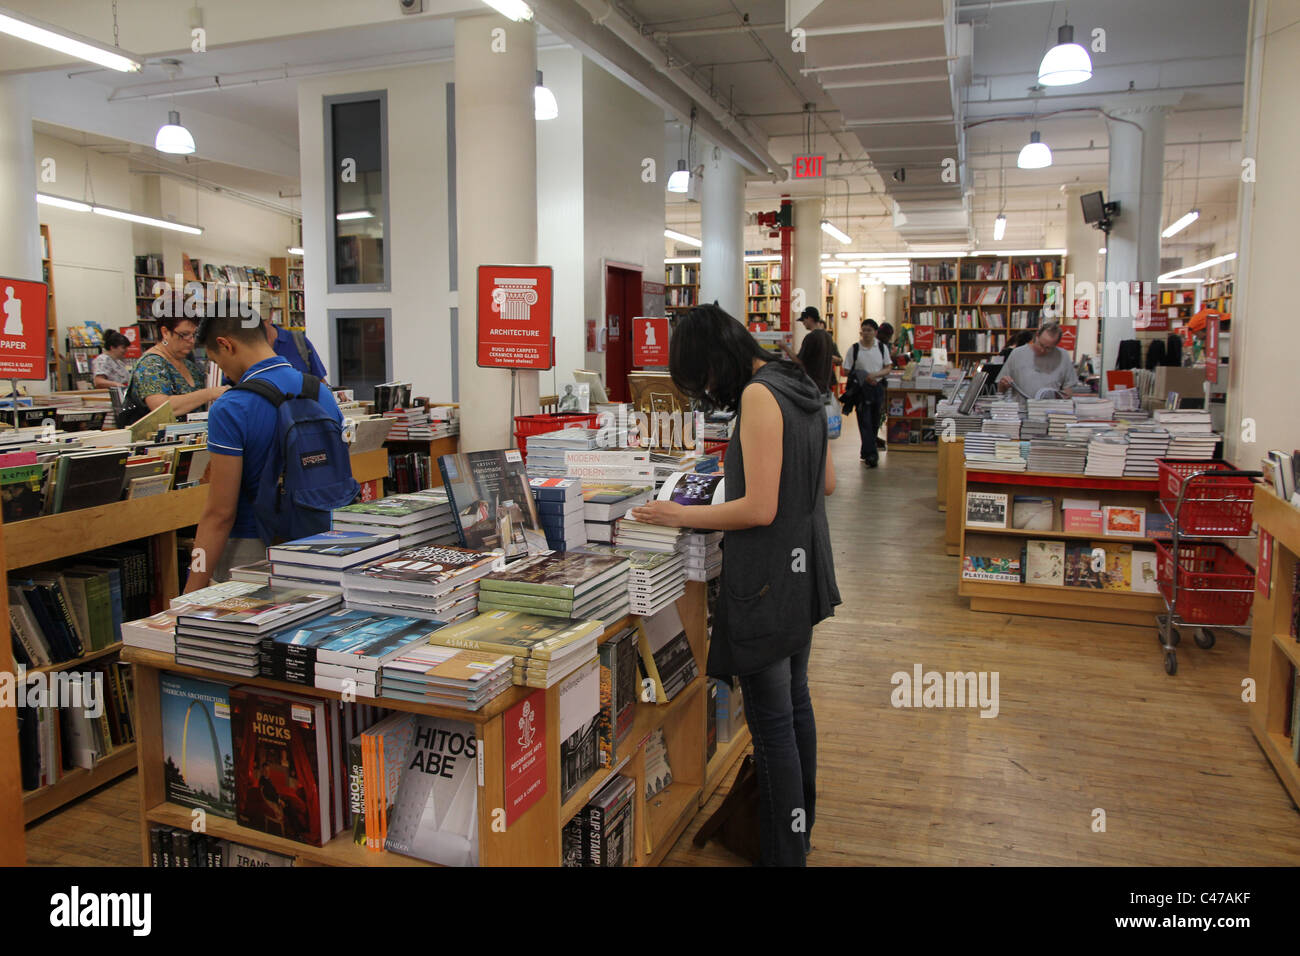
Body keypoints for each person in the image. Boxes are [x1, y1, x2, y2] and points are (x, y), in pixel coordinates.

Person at [629, 304, 840, 866]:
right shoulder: (798, 378)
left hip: (766, 581)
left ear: (713, 360)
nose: (705, 391)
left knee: (772, 728)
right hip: (804, 571)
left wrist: (679, 514)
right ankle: (800, 834)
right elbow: (829, 482)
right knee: (795, 706)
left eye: (701, 378)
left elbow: (759, 508)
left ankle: (783, 856)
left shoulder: (756, 395)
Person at [185, 310, 346, 590]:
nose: (224, 372)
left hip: (252, 551)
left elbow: (219, 514)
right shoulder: (321, 393)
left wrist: (191, 586)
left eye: (217, 361)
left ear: (227, 345)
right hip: (321, 543)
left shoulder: (231, 407)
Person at [130, 315, 227, 416]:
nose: (192, 341)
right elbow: (160, 408)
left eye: (194, 335)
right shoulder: (150, 364)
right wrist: (210, 393)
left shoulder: (189, 365)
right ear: (165, 332)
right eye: (184, 335)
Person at [842, 319, 891, 466]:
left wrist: (875, 375)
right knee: (864, 421)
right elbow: (845, 370)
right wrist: (863, 375)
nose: (866, 333)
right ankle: (872, 455)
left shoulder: (881, 348)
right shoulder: (855, 349)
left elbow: (888, 367)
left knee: (875, 421)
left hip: (877, 388)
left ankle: (866, 451)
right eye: (864, 330)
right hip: (861, 390)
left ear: (875, 332)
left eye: (869, 330)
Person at [997, 321, 1079, 405]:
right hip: (1022, 411)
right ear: (1037, 336)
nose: (1042, 350)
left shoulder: (1063, 356)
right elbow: (1000, 389)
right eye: (1041, 345)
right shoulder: (1017, 354)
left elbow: (1069, 389)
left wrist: (1063, 398)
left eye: (1048, 348)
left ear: (1056, 345)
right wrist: (1003, 384)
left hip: (1050, 411)